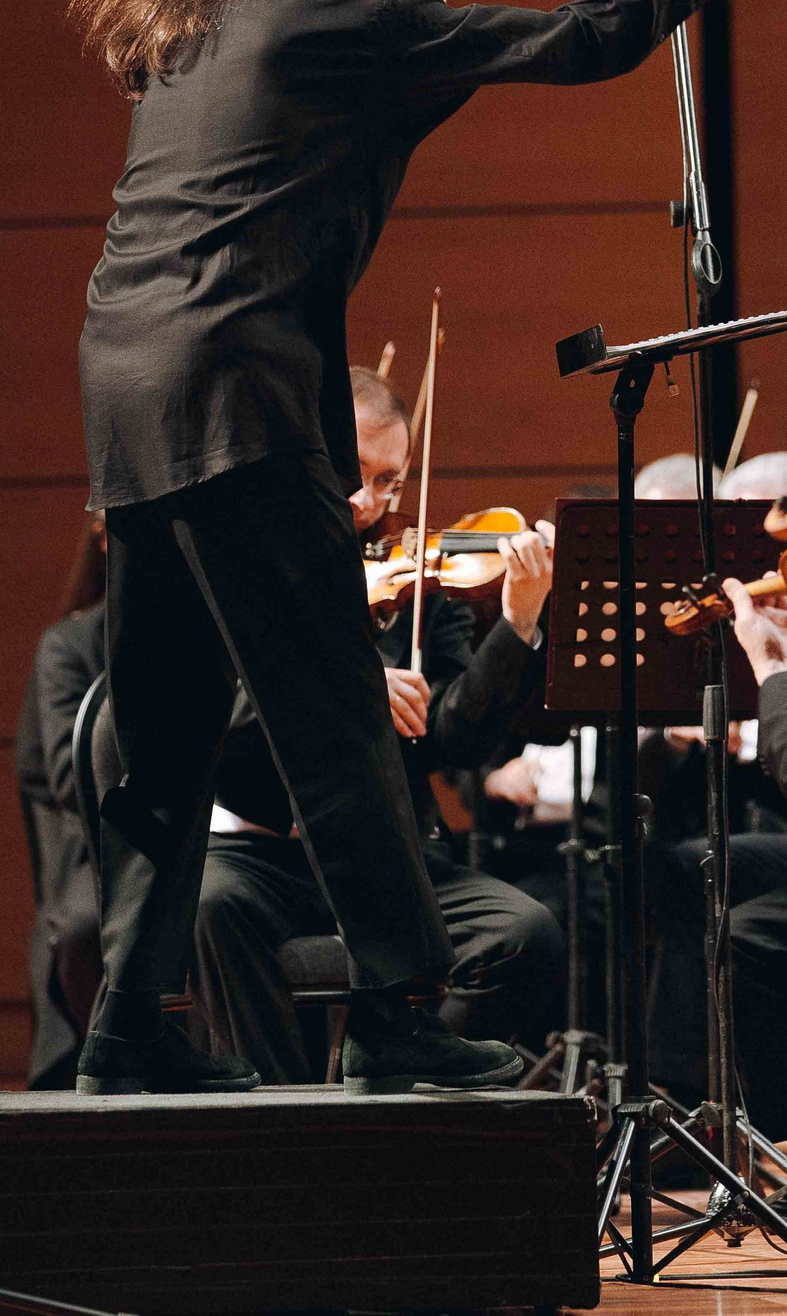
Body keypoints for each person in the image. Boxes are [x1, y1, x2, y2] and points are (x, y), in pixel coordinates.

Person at [66, 0, 787, 1092]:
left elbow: (299, 169)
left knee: (165, 724)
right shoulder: (328, 15)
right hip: (242, 394)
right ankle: (396, 1015)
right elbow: (575, 41)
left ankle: (126, 1029)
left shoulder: (189, 38)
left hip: (125, 386)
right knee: (337, 721)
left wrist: (410, 62)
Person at [188, 368, 567, 1081]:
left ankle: (394, 1099)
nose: (367, 500)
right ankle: (280, 1121)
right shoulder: (247, 564)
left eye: (388, 481)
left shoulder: (418, 586)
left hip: (383, 853)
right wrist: (348, 688)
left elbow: (453, 738)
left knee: (526, 933)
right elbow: (219, 722)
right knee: (210, 908)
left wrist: (519, 621)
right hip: (258, 850)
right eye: (353, 472)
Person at [11, 519, 109, 1089]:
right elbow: (75, 782)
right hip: (110, 844)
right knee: (85, 928)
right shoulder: (71, 645)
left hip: (235, 837)